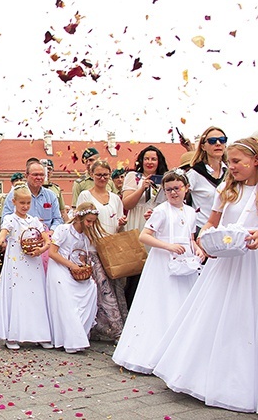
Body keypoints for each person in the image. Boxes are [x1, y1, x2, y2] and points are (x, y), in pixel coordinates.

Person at [152, 138, 258, 412]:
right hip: (226, 261)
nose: (230, 167)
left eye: (236, 162)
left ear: (255, 161)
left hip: (252, 263)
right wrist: (206, 238)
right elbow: (212, 222)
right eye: (229, 162)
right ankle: (206, 376)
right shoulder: (227, 188)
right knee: (219, 316)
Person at [113, 170, 202, 374]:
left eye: (177, 189)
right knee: (162, 303)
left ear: (186, 189)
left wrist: (196, 248)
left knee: (181, 303)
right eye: (169, 189)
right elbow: (144, 236)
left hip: (183, 262)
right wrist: (167, 246)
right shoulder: (161, 210)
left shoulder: (189, 212)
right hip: (163, 262)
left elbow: (189, 237)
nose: (173, 193)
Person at [0, 184, 53, 350]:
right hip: (16, 264)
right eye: (22, 203)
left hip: (34, 264)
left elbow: (47, 240)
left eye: (28, 203)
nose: (25, 207)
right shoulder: (10, 219)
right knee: (17, 296)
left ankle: (40, 334)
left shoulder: (34, 221)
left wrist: (41, 249)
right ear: (14, 202)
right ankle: (13, 334)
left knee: (36, 296)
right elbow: (1, 237)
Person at [77, 160, 128, 341]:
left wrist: (121, 225)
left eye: (105, 175)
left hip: (111, 248)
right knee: (100, 290)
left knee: (115, 289)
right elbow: (81, 221)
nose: (102, 178)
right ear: (92, 175)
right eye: (98, 174)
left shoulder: (115, 198)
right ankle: (105, 328)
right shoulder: (85, 195)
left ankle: (115, 326)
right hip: (93, 247)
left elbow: (119, 224)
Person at [46, 202, 102, 354]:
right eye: (88, 221)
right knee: (66, 295)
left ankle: (79, 334)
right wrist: (71, 265)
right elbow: (52, 253)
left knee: (91, 287)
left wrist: (83, 265)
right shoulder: (63, 229)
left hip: (75, 268)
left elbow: (82, 254)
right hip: (59, 267)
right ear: (79, 218)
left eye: (93, 222)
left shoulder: (87, 235)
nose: (90, 225)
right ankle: (68, 339)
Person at [121, 145, 169, 307]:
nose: (150, 162)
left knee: (156, 267)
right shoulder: (133, 177)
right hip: (137, 224)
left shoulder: (165, 178)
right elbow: (127, 203)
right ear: (141, 160)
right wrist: (141, 188)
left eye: (153, 159)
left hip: (157, 226)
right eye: (146, 158)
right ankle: (132, 306)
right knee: (135, 270)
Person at [185, 126, 228, 235]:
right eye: (212, 141)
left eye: (222, 140)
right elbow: (177, 196)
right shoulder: (195, 173)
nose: (218, 143)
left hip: (226, 229)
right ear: (203, 146)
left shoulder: (231, 173)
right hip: (201, 229)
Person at [2, 161, 63, 230]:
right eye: (35, 175)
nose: (39, 177)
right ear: (26, 176)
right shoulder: (14, 194)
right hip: (22, 237)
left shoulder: (51, 195)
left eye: (42, 175)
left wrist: (51, 231)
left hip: (47, 237)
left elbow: (58, 219)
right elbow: (5, 219)